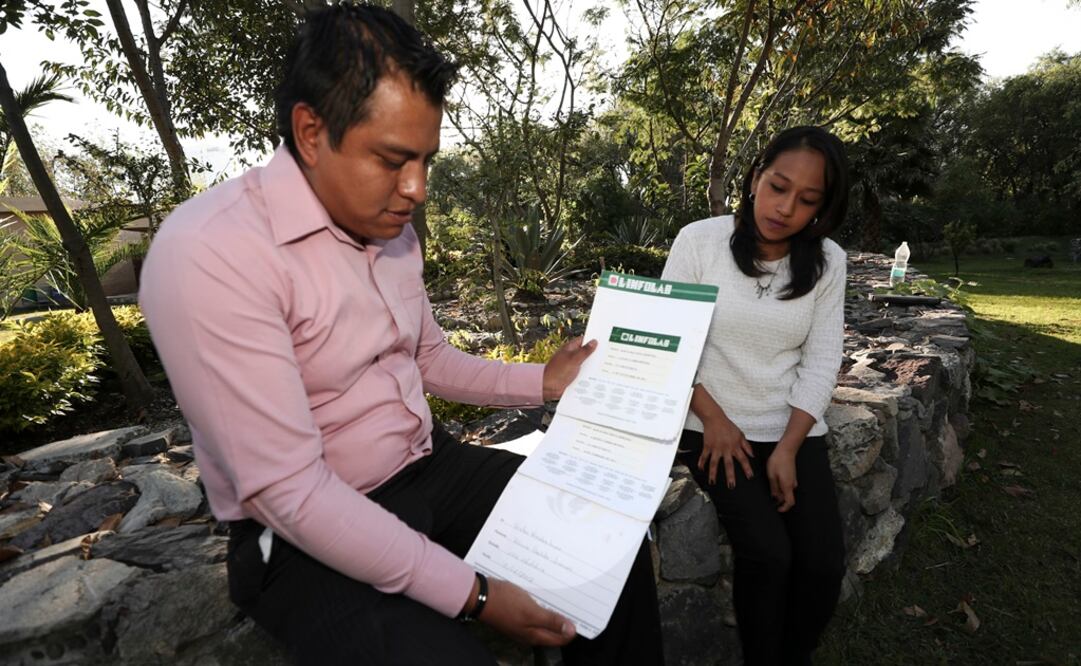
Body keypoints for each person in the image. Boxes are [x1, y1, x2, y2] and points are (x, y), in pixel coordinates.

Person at [139, 5, 663, 664]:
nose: (416, 189)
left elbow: (428, 358)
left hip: (428, 468)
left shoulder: (391, 232)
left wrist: (544, 381)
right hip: (300, 533)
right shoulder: (212, 253)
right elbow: (290, 492)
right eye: (392, 160)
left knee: (609, 548)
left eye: (425, 160)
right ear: (310, 131)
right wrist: (476, 596)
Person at [660, 126, 850, 665]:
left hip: (791, 428)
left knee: (821, 563)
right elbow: (672, 345)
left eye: (807, 200)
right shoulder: (699, 241)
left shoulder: (829, 261)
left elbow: (821, 359)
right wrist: (715, 421)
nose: (785, 207)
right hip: (711, 428)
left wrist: (790, 447)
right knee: (767, 554)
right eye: (778, 186)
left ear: (822, 209)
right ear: (753, 179)